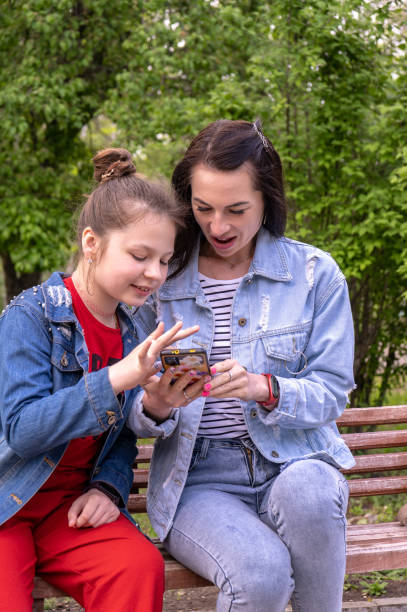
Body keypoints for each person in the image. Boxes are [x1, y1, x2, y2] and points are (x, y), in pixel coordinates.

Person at [128, 120, 356, 612]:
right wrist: (156, 406)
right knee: (261, 572)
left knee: (313, 489)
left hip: (294, 460)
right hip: (200, 480)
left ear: (267, 200)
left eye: (237, 210)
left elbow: (333, 391)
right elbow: (125, 400)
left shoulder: (315, 275)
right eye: (203, 208)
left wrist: (263, 387)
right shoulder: (157, 283)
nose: (218, 226)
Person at [0, 148, 199, 612]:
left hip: (68, 508)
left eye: (164, 260)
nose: (154, 273)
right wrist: (116, 377)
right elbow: (24, 431)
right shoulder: (29, 316)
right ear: (92, 243)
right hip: (8, 503)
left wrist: (110, 485)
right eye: (140, 255)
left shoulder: (132, 331)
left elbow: (123, 435)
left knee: (136, 568)